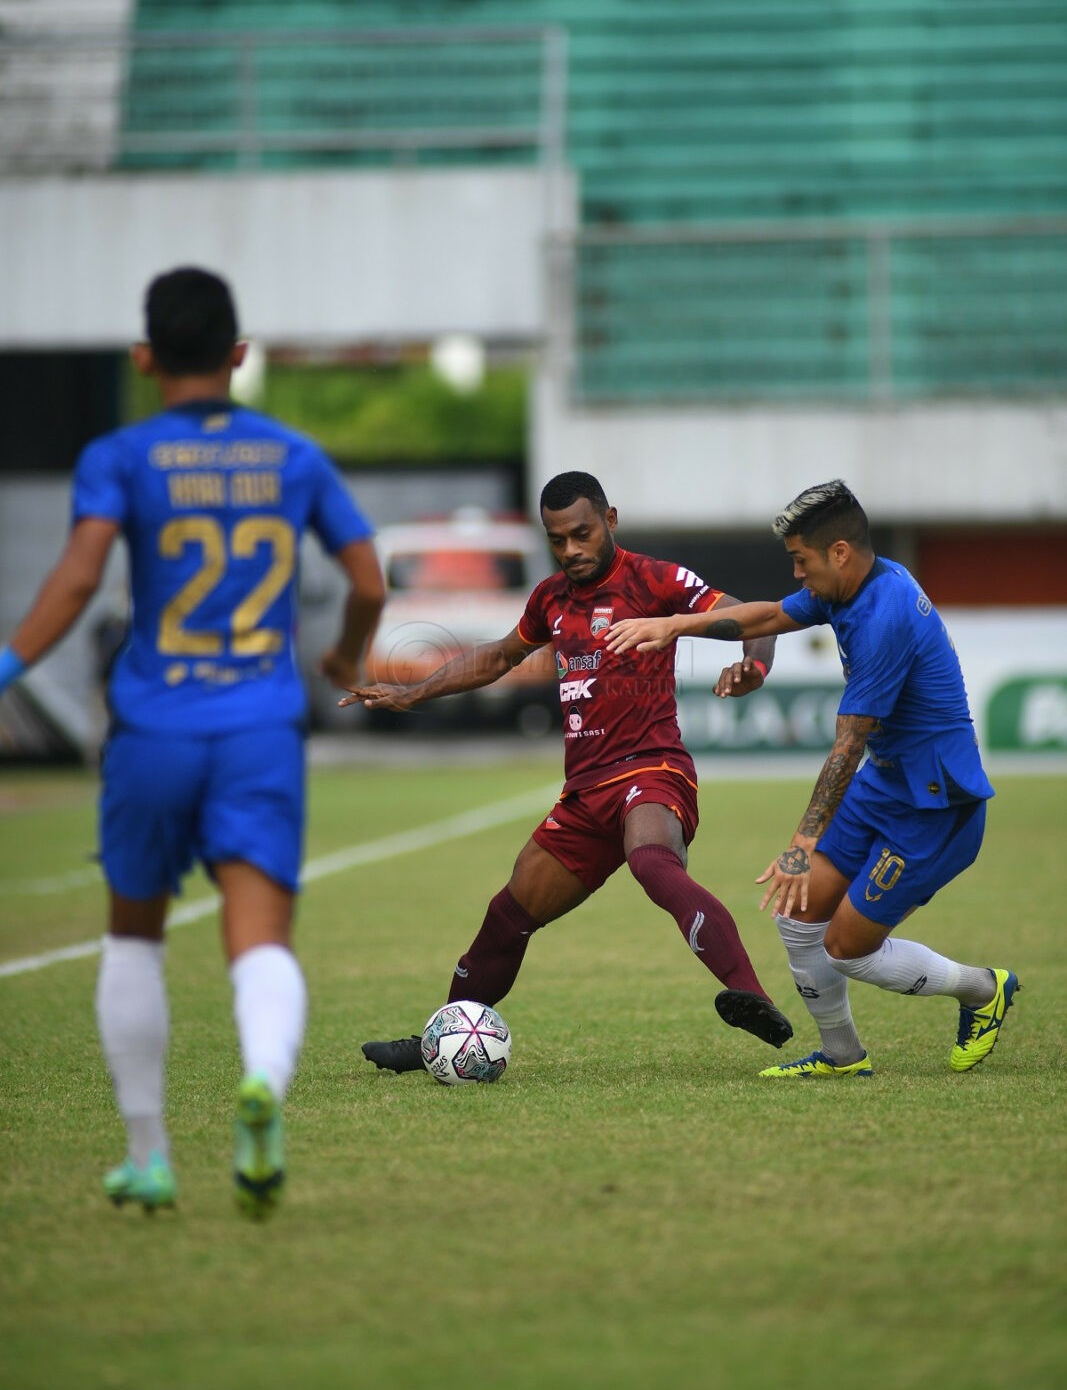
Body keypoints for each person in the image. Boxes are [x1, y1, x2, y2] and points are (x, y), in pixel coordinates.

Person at [0, 267, 385, 1212]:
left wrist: (5, 669)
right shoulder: (291, 455)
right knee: (259, 935)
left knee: (133, 934)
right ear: (239, 356)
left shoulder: (119, 456)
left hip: (152, 728)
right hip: (258, 725)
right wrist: (342, 659)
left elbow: (80, 578)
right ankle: (261, 1080)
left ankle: (150, 1154)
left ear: (143, 358)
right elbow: (368, 580)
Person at [342, 470, 793, 1074]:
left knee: (651, 861)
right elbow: (500, 657)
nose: (572, 550)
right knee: (509, 913)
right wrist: (411, 692)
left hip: (651, 770)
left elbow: (746, 614)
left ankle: (753, 998)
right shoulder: (550, 597)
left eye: (582, 534)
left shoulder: (652, 579)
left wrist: (753, 668)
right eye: (558, 540)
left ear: (610, 519)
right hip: (584, 795)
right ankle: (439, 1042)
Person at [605, 478, 1018, 1079]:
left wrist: (801, 844)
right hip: (886, 783)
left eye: (801, 560)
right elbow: (769, 614)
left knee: (846, 949)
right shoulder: (848, 587)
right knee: (798, 916)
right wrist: (674, 625)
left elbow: (847, 744)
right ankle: (843, 1055)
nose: (797, 574)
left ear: (840, 553)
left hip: (935, 804)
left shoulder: (886, 616)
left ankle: (983, 989)